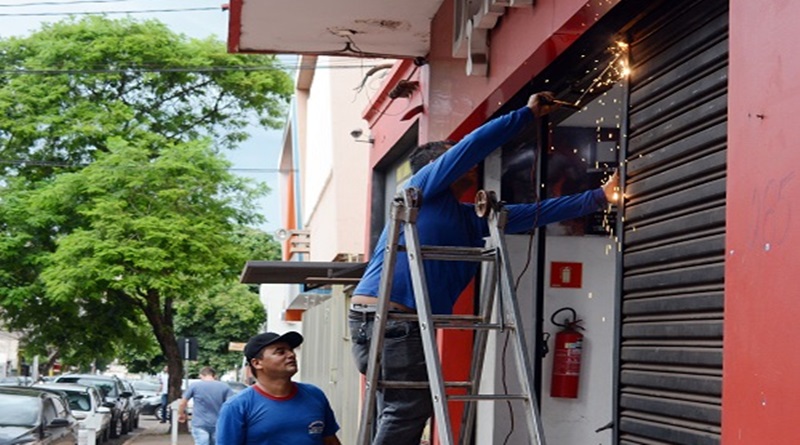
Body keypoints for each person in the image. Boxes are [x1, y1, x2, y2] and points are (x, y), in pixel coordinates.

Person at [349, 92, 620, 445]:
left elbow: (531, 214)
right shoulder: (420, 190)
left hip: (394, 322)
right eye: (460, 162)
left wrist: (600, 197)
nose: (473, 167)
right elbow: (472, 147)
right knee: (407, 408)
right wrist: (526, 115)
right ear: (442, 167)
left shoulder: (465, 219)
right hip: (391, 320)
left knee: (398, 407)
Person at [216, 331, 341, 445]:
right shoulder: (237, 406)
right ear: (257, 363)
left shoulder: (314, 395)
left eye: (291, 350)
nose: (291, 354)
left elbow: (330, 440)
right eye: (280, 352)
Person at [178, 366, 234, 445]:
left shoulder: (195, 386)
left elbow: (182, 402)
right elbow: (231, 405)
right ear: (214, 375)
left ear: (201, 375)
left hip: (199, 423)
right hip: (218, 423)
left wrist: (181, 414)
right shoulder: (225, 387)